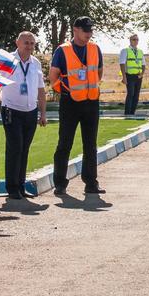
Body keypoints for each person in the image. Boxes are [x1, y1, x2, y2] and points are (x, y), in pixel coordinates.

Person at [49, 16, 104, 196]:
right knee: (65, 143)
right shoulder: (62, 51)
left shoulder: (95, 48)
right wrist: (66, 90)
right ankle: (60, 183)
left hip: (91, 101)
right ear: (76, 30)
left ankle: (91, 183)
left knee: (91, 144)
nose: (89, 33)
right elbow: (54, 77)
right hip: (70, 102)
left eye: (91, 30)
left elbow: (99, 72)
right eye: (85, 30)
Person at [1, 30, 47, 200]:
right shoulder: (8, 60)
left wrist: (43, 113)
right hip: (12, 109)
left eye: (32, 43)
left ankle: (20, 185)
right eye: (26, 43)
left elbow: (41, 90)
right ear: (17, 43)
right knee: (15, 148)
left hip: (30, 111)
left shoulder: (35, 63)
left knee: (24, 149)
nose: (29, 46)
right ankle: (12, 187)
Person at [118, 34, 145, 116]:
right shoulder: (125, 50)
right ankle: (127, 114)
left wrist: (142, 74)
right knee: (130, 94)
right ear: (130, 40)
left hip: (138, 76)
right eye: (134, 39)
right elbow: (122, 63)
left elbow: (143, 64)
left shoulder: (140, 51)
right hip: (129, 76)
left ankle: (132, 113)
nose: (136, 41)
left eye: (137, 39)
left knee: (136, 96)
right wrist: (124, 77)